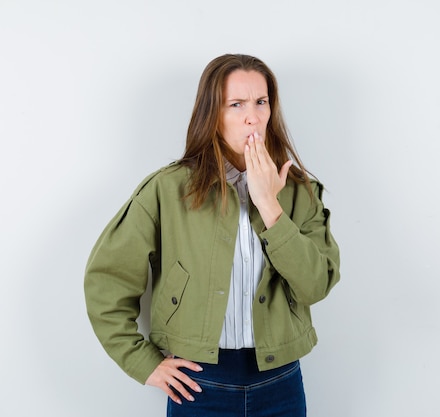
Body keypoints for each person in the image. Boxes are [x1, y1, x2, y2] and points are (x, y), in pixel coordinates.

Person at [84, 53, 340, 417]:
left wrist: (270, 207)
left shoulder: (300, 191)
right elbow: (106, 281)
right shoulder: (167, 190)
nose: (253, 116)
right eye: (236, 104)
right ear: (212, 114)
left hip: (280, 383)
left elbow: (315, 286)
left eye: (261, 102)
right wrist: (143, 363)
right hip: (198, 385)